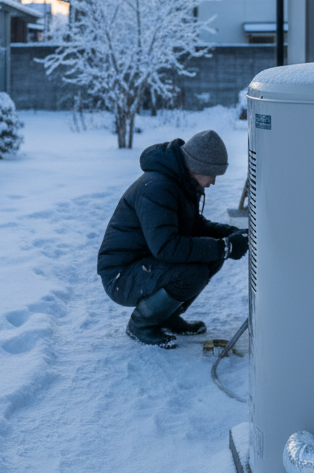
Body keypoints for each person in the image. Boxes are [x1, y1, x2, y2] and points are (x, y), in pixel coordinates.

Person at [97, 129, 248, 349]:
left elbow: (194, 226)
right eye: (212, 174)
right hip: (121, 274)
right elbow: (167, 247)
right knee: (194, 272)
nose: (213, 181)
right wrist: (224, 247)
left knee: (212, 257)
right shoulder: (157, 188)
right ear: (199, 167)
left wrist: (229, 233)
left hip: (144, 262)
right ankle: (141, 324)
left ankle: (166, 315)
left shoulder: (180, 182)